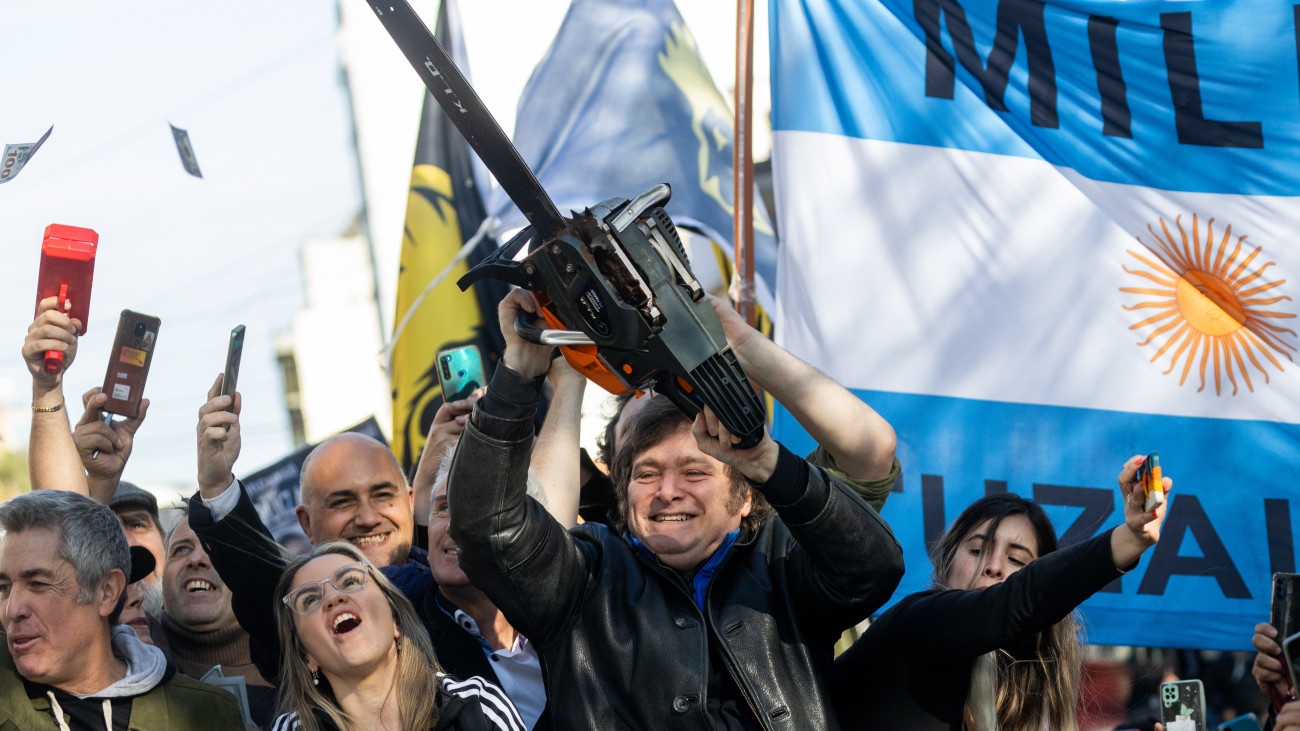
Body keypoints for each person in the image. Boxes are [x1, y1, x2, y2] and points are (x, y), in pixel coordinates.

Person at [446, 289, 905, 729]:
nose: (667, 491)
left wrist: (768, 458)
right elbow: (487, 527)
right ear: (621, 497)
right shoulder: (579, 579)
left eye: (694, 472)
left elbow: (872, 568)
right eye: (646, 474)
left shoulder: (782, 562)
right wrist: (522, 367)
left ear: (745, 496)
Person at [190, 377, 557, 728]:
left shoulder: (508, 594)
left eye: (383, 496)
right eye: (342, 502)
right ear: (306, 523)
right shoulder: (312, 618)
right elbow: (260, 579)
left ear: (410, 502)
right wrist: (218, 486)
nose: (367, 518)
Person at [832, 457, 1170, 731]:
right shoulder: (915, 622)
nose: (994, 567)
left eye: (1016, 559)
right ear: (946, 562)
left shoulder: (1022, 690)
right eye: (977, 551)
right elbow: (1016, 600)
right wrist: (1130, 538)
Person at [0, 489, 243, 730]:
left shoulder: (207, 714)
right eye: (3, 588)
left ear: (107, 591)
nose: (13, 610)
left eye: (39, 584)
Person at [270, 542, 526, 731]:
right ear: (307, 656)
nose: (333, 598)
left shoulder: (477, 705)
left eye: (349, 582)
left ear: (395, 618)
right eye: (311, 599)